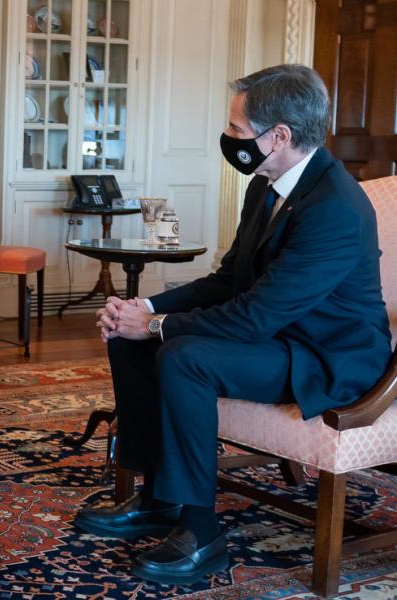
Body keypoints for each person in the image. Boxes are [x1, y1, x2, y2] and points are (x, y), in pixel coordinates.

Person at [79, 64, 390, 585]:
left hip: (327, 357)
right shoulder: (266, 186)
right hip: (278, 336)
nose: (228, 139)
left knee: (185, 356)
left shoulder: (335, 207)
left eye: (237, 130)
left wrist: (159, 329)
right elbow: (229, 281)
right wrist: (145, 308)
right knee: (128, 339)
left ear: (280, 136)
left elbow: (255, 315)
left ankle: (202, 534)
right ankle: (158, 497)